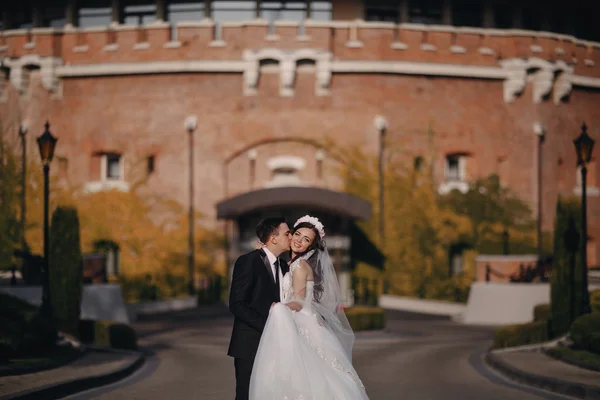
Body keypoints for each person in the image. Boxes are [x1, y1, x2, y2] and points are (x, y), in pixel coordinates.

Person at [249, 215, 369, 400]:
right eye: (297, 234)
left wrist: (280, 307)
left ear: (310, 247)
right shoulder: (289, 264)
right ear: (290, 235)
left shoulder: (299, 267)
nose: (299, 241)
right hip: (302, 320)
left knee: (306, 376)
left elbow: (299, 301)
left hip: (301, 322)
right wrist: (262, 248)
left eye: (306, 239)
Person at [227, 217, 291, 400]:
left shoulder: (285, 265)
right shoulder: (248, 262)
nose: (291, 236)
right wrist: (268, 327)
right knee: (247, 395)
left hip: (278, 346)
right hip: (250, 344)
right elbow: (237, 304)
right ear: (273, 238)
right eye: (287, 233)